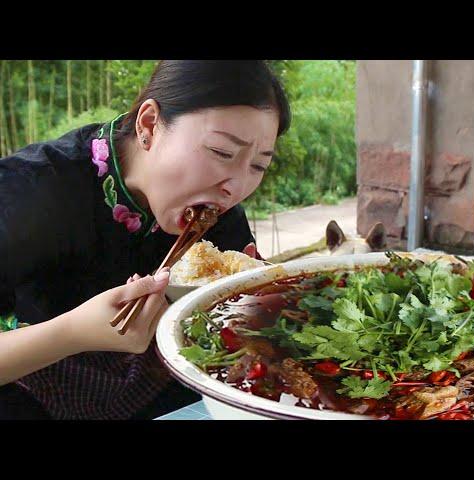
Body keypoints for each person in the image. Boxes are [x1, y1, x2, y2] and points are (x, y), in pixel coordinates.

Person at [0, 60, 290, 419]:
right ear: (149, 124)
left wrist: (261, 304)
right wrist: (72, 332)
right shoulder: (31, 192)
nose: (235, 186)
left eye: (258, 166)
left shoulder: (218, 212)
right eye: (222, 153)